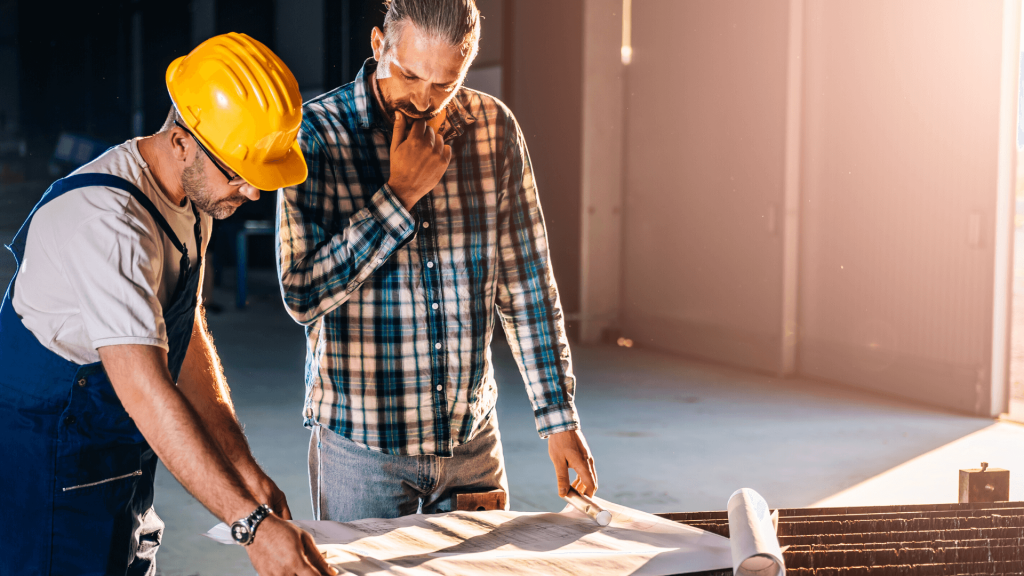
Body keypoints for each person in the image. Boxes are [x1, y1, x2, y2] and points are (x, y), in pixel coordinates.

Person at [0, 33, 335, 576]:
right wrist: (248, 525)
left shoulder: (193, 197)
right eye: (237, 173)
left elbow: (186, 334)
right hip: (47, 475)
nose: (251, 193)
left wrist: (242, 467)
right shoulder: (108, 226)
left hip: (119, 470)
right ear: (180, 142)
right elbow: (149, 392)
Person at [277, 0, 598, 521]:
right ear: (379, 45)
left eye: (444, 84)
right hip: (362, 448)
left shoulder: (493, 129)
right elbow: (302, 294)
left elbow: (528, 286)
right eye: (408, 75)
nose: (424, 100)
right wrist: (398, 196)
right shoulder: (316, 135)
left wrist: (559, 418)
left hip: (471, 445)